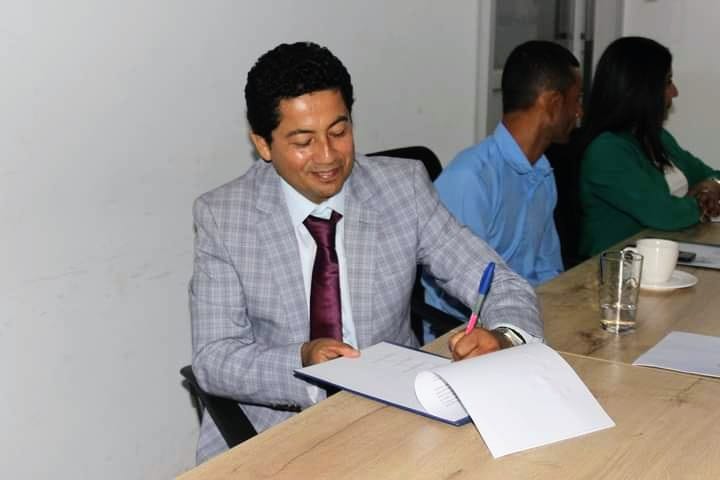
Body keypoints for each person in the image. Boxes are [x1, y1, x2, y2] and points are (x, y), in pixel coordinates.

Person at [189, 42, 542, 463]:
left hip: (395, 417)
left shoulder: (402, 188)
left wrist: (502, 338)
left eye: (339, 133)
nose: (327, 156)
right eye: (303, 141)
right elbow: (214, 357)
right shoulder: (224, 217)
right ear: (263, 145)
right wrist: (302, 360)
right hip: (278, 430)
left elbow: (500, 283)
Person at [423, 41, 582, 325]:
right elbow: (455, 295)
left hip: (529, 318)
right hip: (468, 332)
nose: (579, 112)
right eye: (577, 100)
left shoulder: (543, 173)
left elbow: (549, 271)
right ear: (554, 104)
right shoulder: (471, 179)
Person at [578, 36, 720, 257]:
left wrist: (713, 185)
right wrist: (701, 203)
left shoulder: (658, 138)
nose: (675, 92)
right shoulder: (606, 152)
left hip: (664, 258)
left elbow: (711, 174)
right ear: (641, 89)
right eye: (668, 82)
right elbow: (664, 213)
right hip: (614, 270)